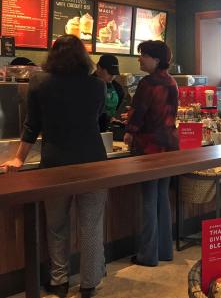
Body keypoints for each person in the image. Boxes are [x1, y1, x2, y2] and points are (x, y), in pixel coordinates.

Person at [1, 35, 108, 298]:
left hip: (55, 165)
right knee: (91, 226)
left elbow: (31, 125)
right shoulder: (97, 86)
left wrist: (18, 159)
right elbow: (96, 119)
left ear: (52, 55)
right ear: (83, 56)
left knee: (56, 225)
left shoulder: (39, 82)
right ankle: (89, 283)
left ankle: (59, 282)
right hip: (93, 162)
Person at [124, 40, 179, 267]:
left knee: (149, 198)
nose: (140, 59)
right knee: (162, 198)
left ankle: (148, 255)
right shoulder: (172, 82)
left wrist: (129, 132)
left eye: (143, 55)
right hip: (169, 145)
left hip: (150, 147)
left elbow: (138, 114)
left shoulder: (148, 83)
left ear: (156, 60)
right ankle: (165, 250)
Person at [93, 54, 124, 132]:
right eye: (110, 73)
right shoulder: (88, 86)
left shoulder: (118, 89)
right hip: (91, 129)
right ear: (98, 68)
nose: (112, 77)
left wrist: (112, 119)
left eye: (114, 74)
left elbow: (117, 110)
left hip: (108, 129)